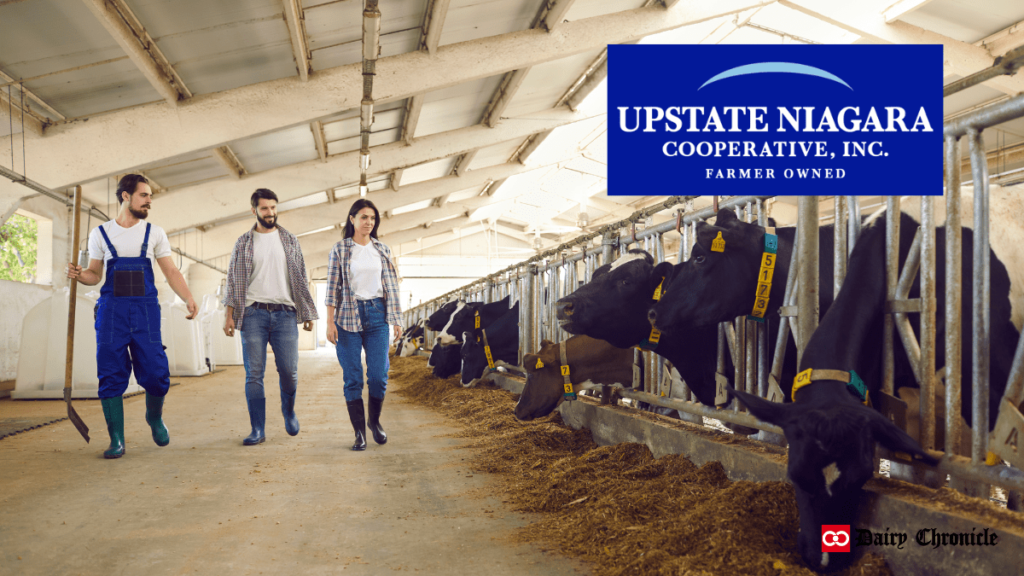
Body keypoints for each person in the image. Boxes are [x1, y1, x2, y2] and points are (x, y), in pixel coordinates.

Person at [66, 174, 198, 459]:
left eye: (150, 196)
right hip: (112, 311)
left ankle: (154, 417)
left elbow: (171, 272)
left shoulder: (155, 233)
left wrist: (187, 297)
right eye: (144, 195)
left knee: (155, 371)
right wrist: (80, 275)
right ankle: (116, 440)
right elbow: (94, 275)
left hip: (145, 311)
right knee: (111, 373)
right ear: (125, 196)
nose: (149, 200)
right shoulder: (101, 233)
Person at [223, 189, 318, 446]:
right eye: (265, 208)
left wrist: (307, 311)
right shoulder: (243, 242)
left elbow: (301, 276)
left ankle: (289, 411)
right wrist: (229, 315)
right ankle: (257, 429)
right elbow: (233, 281)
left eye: (273, 207)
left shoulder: (289, 240)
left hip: (285, 314)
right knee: (254, 373)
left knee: (289, 371)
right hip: (252, 313)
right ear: (254, 210)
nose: (270, 213)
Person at [325, 199, 403, 451]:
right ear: (352, 219)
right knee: (353, 379)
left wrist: (397, 320)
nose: (368, 222)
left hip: (378, 315)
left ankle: (374, 422)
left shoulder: (383, 249)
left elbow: (392, 286)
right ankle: (359, 433)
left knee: (379, 376)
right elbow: (332, 289)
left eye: (372, 218)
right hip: (348, 315)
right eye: (363, 217)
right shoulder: (340, 249)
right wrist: (329, 322)